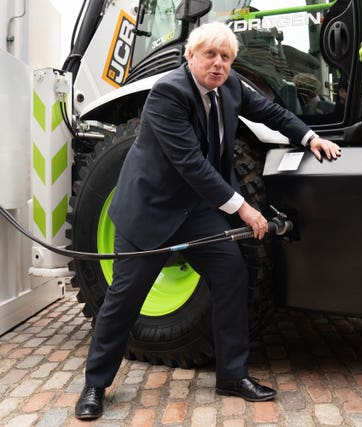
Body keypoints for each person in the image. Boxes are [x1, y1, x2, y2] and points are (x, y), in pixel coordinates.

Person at [74, 22, 341, 420]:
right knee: (125, 299)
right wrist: (244, 208)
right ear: (190, 56)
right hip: (151, 211)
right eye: (211, 55)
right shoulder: (167, 93)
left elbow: (269, 110)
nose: (219, 64)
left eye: (226, 58)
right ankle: (95, 384)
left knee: (230, 273)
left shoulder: (230, 87)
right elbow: (191, 165)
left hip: (196, 209)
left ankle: (232, 375)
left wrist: (309, 137)